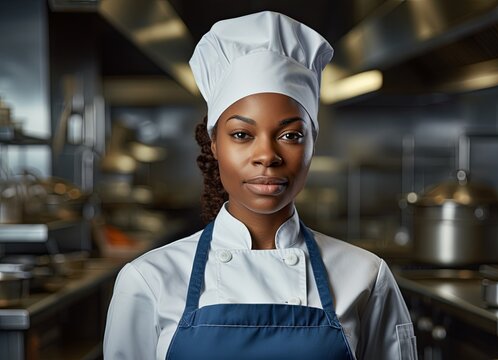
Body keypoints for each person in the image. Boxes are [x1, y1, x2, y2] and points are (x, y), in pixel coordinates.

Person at [103, 11, 417, 360]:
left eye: (290, 135)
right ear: (214, 145)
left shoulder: (366, 277)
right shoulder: (149, 280)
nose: (266, 155)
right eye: (242, 134)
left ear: (313, 143)